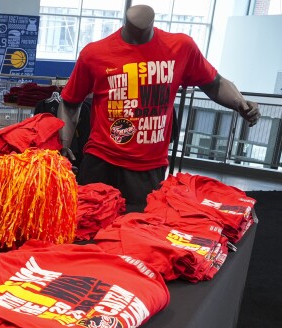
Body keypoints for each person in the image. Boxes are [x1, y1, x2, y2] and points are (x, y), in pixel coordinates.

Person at [57, 4, 260, 207]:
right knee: (88, 229)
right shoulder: (94, 53)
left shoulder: (181, 47)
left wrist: (239, 102)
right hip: (100, 161)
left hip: (148, 167)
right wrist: (63, 146)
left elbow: (214, 83)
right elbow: (70, 102)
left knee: (139, 231)